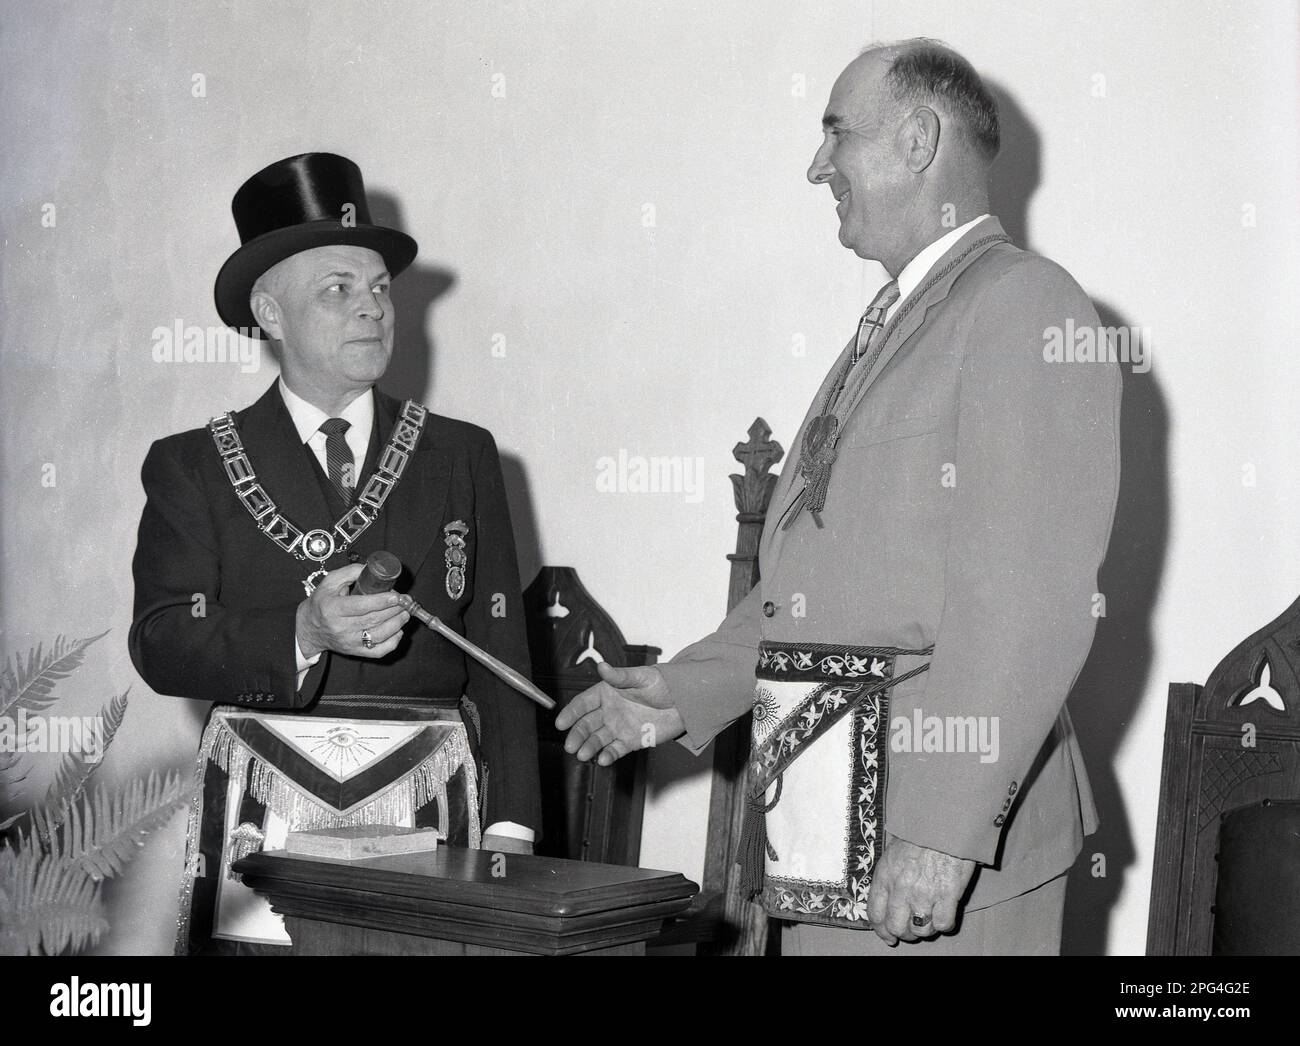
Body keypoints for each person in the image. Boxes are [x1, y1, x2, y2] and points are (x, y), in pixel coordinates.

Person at [557, 40, 1121, 955]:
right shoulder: (894, 323)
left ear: (917, 140)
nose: (817, 165)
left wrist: (939, 838)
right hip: (833, 829)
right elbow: (814, 589)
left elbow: (1024, 602)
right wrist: (680, 692)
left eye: (835, 133)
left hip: (944, 851)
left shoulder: (1027, 307)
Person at [129, 152, 540, 954]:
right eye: (338, 291)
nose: (372, 310)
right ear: (270, 314)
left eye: (380, 289)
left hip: (431, 812)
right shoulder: (193, 464)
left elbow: (501, 657)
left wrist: (512, 828)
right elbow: (162, 643)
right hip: (263, 817)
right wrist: (303, 633)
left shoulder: (460, 455)